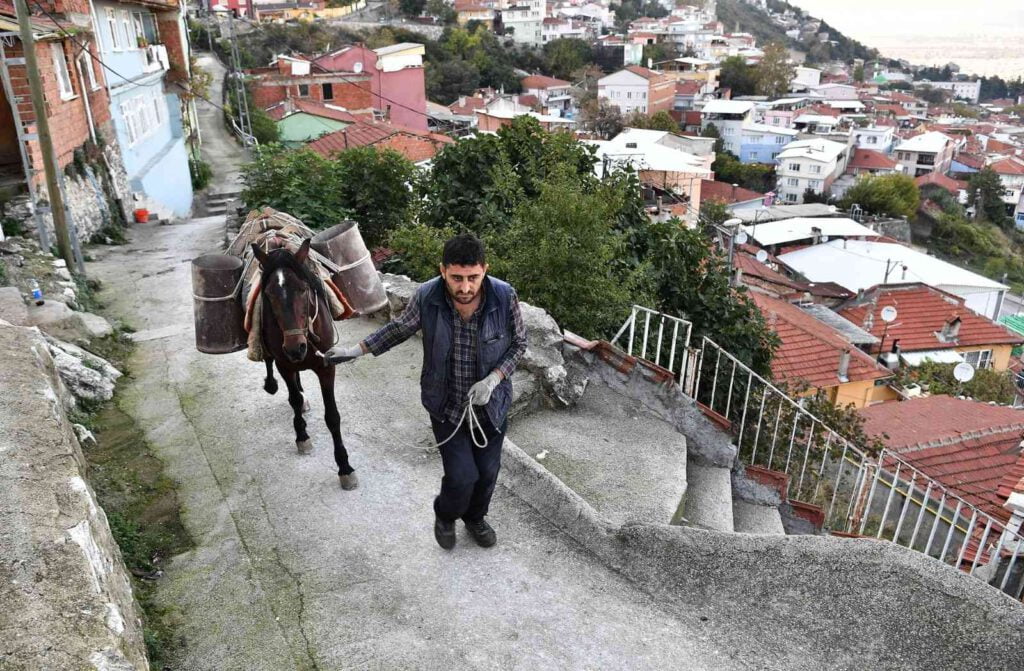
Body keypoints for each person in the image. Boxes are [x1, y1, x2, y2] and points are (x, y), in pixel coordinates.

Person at [326, 234, 528, 550]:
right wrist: (356, 350)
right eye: (456, 278)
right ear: (443, 270)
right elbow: (398, 329)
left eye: (473, 278)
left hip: (492, 407)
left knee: (488, 472)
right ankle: (445, 515)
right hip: (446, 406)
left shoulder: (504, 296)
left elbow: (519, 344)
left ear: (485, 270)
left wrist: (493, 379)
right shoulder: (427, 296)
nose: (465, 287)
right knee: (462, 477)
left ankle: (475, 518)